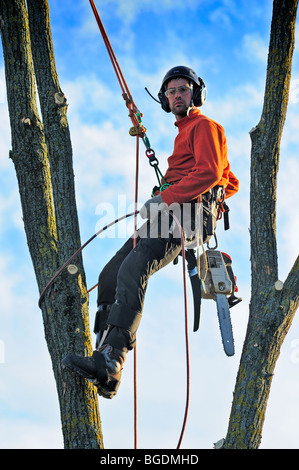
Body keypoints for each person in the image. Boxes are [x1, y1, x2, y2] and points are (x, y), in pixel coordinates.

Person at [62, 66, 239, 399]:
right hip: (170, 212)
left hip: (187, 214)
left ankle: (113, 358)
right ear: (164, 99)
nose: (176, 96)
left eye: (183, 89)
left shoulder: (205, 126)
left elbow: (212, 172)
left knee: (135, 265)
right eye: (171, 92)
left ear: (195, 93)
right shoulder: (183, 132)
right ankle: (105, 362)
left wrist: (164, 197)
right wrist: (165, 195)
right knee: (111, 274)